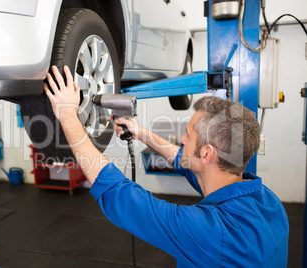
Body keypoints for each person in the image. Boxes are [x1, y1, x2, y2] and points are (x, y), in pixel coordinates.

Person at [44, 65, 289, 267]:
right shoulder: (268, 201)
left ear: (207, 153)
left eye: (188, 135)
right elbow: (185, 161)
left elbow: (121, 196)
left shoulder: (213, 234)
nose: (182, 140)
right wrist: (140, 133)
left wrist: (67, 115)